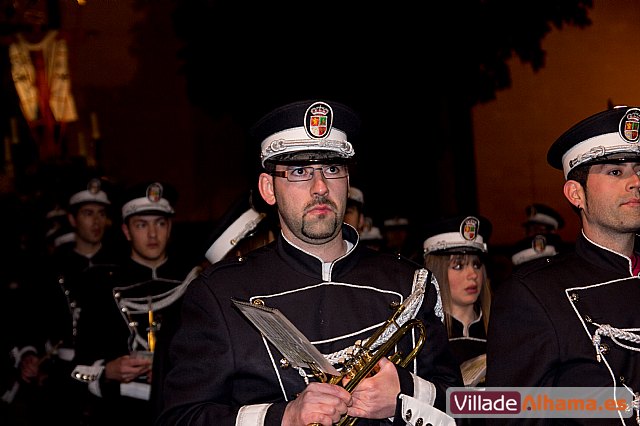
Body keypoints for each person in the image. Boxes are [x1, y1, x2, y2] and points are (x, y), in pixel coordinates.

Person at [156, 99, 462, 426]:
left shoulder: (410, 282)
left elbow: (472, 407)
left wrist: (406, 392)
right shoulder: (219, 294)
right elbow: (178, 418)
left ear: (347, 181)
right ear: (268, 188)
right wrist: (283, 417)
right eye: (300, 171)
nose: (320, 188)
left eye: (332, 169)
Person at [485, 106, 640, 424]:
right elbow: (503, 409)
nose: (636, 181)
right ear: (576, 194)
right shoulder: (534, 293)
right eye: (615, 172)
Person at [71, 181, 195, 426]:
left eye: (160, 223)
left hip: (182, 412)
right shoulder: (101, 288)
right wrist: (107, 371)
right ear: (126, 231)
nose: (152, 234)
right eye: (141, 225)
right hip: (120, 415)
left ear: (170, 227)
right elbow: (76, 371)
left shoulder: (193, 282)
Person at [422, 214, 492, 387]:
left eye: (476, 264)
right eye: (459, 266)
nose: (473, 275)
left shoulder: (502, 327)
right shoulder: (423, 335)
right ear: (437, 270)